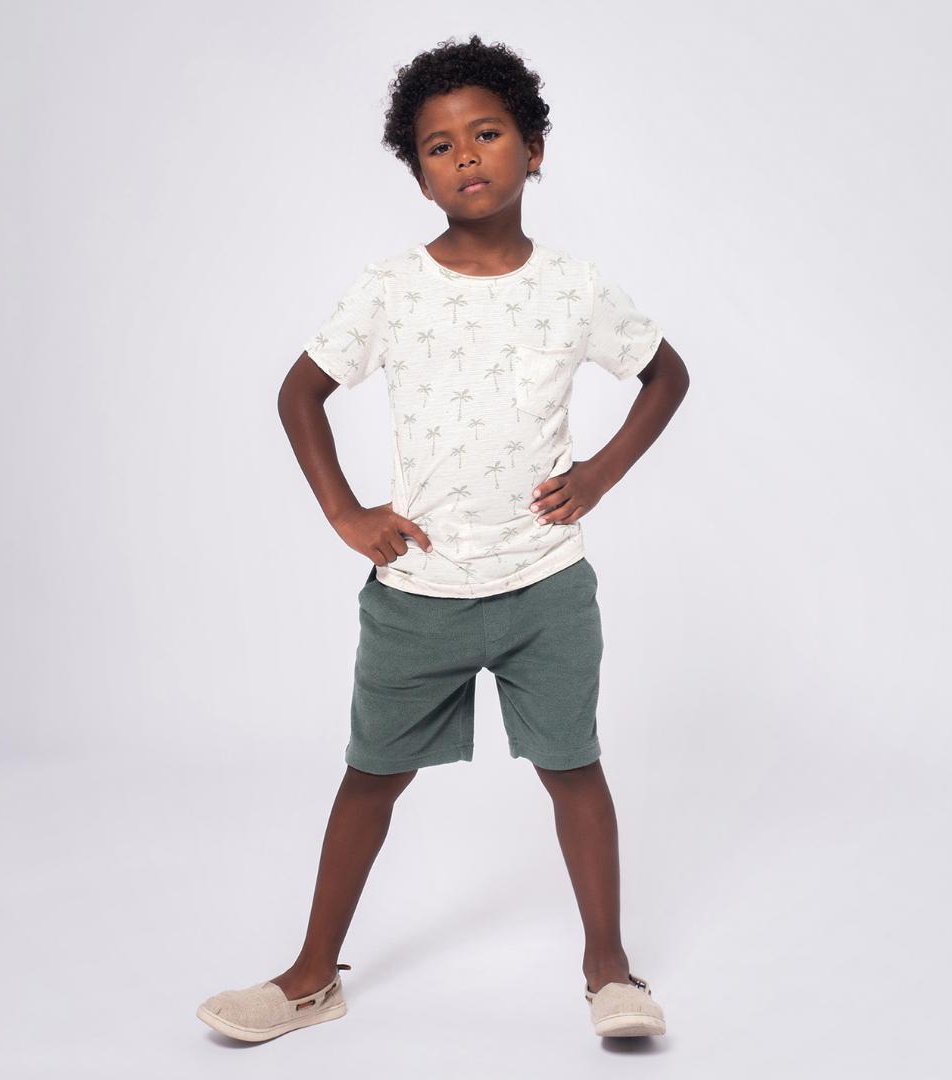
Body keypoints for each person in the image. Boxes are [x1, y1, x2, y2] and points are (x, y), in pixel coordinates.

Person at [196, 33, 689, 1043]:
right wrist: (346, 512)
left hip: (545, 587)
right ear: (419, 174)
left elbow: (666, 374)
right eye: (438, 145)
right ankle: (310, 976)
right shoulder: (391, 289)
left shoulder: (575, 288)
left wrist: (599, 473)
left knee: (574, 769)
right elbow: (300, 392)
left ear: (534, 149)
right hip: (419, 591)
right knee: (370, 776)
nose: (465, 154)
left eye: (488, 133)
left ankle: (609, 967)